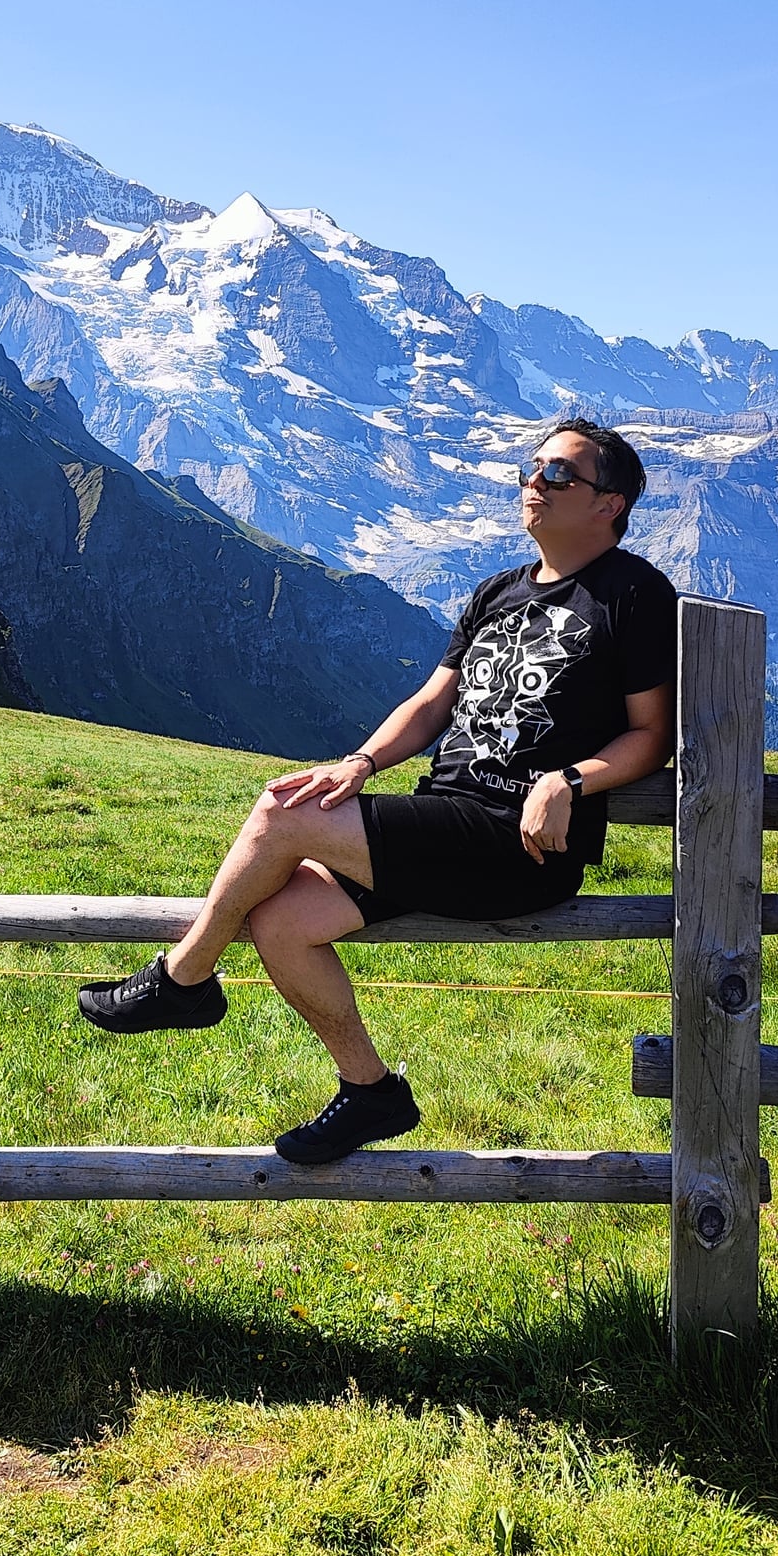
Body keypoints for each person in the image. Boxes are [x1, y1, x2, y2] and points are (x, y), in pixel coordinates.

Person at [77, 417, 677, 1163]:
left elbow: (653, 733)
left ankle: (183, 979)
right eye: (533, 468)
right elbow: (431, 705)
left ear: (608, 504)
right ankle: (371, 1089)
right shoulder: (499, 591)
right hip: (444, 821)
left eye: (558, 474)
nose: (534, 483)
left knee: (280, 812)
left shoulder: (636, 593)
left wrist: (569, 779)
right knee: (283, 921)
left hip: (516, 843)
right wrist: (361, 762)